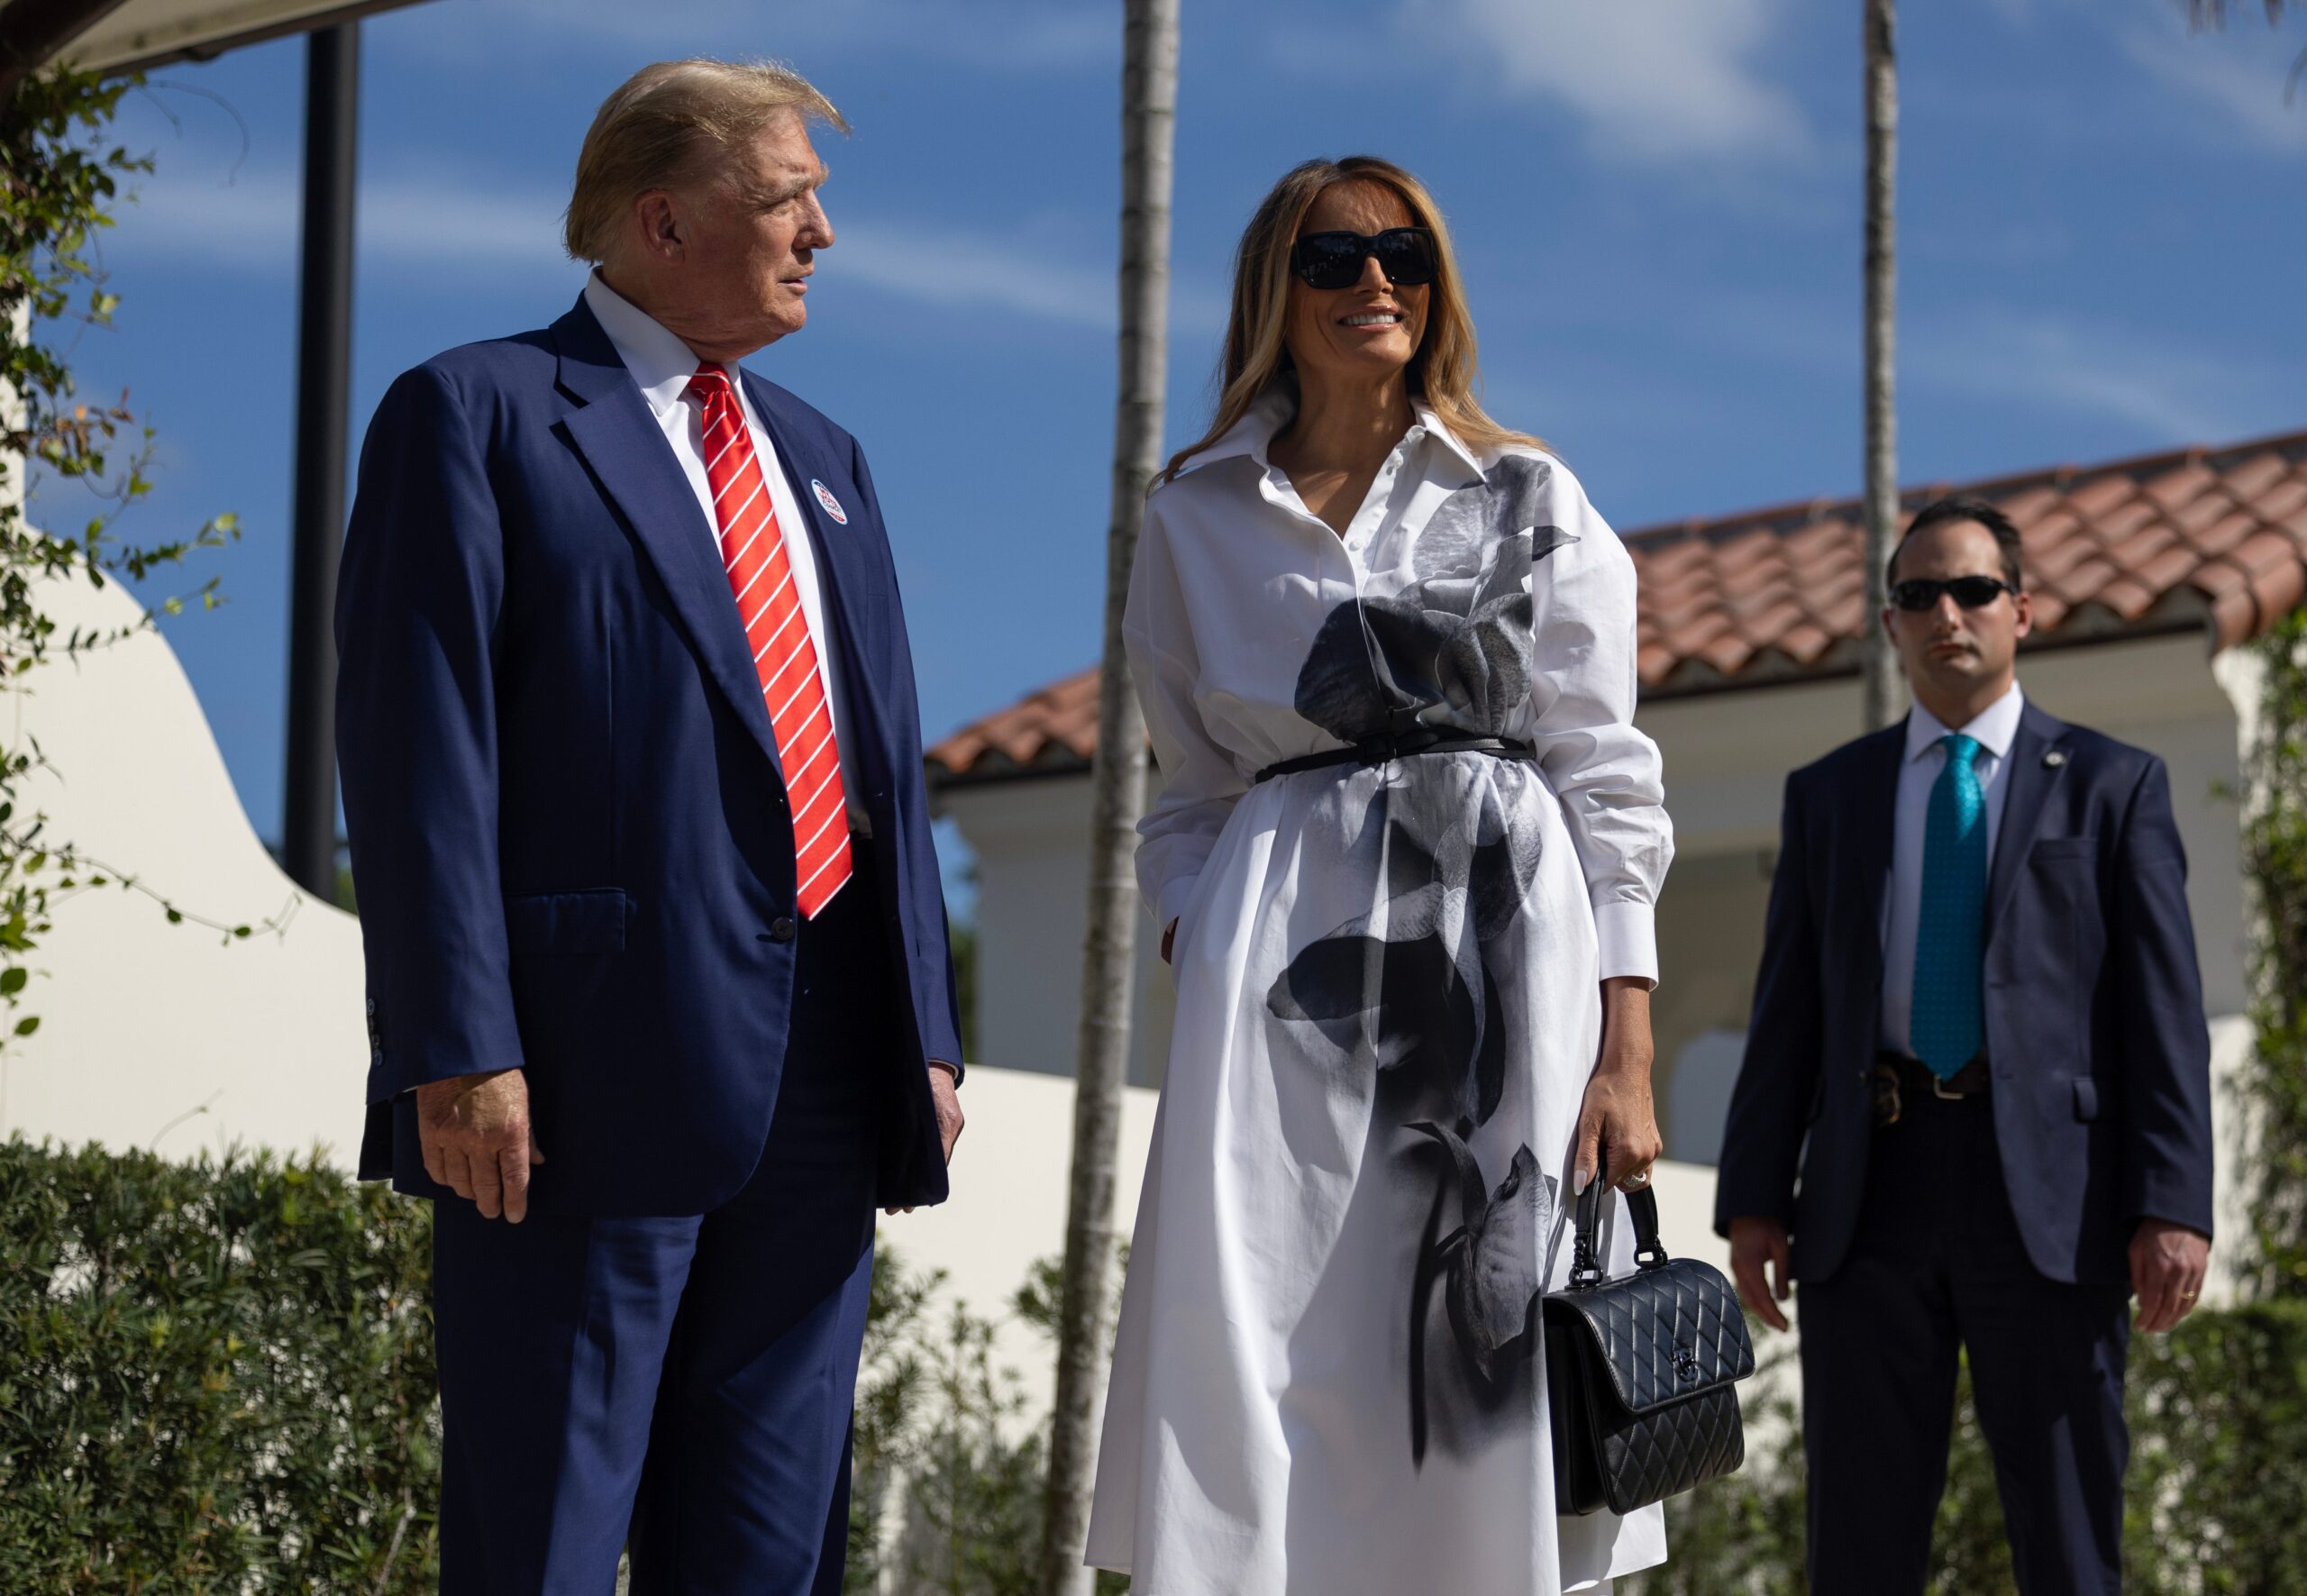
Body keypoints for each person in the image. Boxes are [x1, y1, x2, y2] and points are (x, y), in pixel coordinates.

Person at [334, 59, 965, 1595]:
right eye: (788, 198)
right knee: (542, 1539)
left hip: (827, 1081)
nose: (821, 232)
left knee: (768, 1550)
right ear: (661, 216)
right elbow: (420, 757)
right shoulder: (473, 414)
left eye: (818, 198)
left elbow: (884, 760)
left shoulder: (828, 462)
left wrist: (927, 1035)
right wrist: (457, 1044)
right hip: (571, 1086)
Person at [1086, 156, 1675, 1595]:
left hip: (1503, 972)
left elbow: (1605, 771)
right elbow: (1188, 796)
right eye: (1336, 257)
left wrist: (1628, 1041)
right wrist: (1204, 938)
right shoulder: (1193, 516)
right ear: (1273, 292)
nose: (1375, 284)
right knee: (1261, 1321)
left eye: (1403, 253)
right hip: (1273, 985)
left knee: (1480, 1332)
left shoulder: (1529, 492)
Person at [1713, 496, 2214, 1594]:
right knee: (1859, 1535)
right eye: (1917, 595)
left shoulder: (2112, 785)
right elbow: (1788, 1008)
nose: (1946, 612)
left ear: (2021, 611)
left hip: (2051, 1199)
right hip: (1869, 1186)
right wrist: (1754, 1194)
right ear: (1889, 625)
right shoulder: (1830, 796)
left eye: (1973, 589)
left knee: (2071, 1531)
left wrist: (2172, 1199)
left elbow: (2162, 1012)